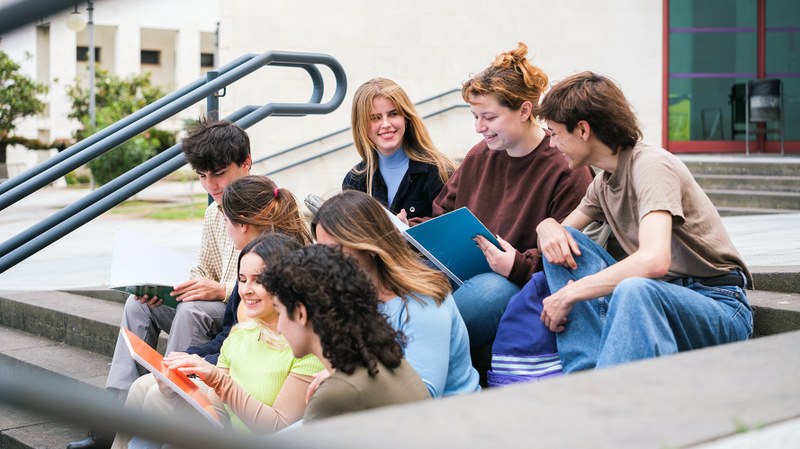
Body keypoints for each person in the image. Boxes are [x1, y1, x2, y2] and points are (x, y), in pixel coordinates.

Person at [535, 71, 753, 373]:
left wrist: (571, 293)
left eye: (555, 133)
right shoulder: (603, 183)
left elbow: (654, 260)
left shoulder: (651, 165)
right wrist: (546, 226)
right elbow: (562, 234)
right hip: (656, 300)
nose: (552, 142)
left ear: (583, 130)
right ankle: (584, 373)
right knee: (560, 248)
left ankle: (603, 395)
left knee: (635, 289)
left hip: (717, 305)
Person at [69, 119, 251, 449]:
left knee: (193, 309)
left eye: (218, 173)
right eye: (202, 176)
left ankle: (172, 402)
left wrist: (221, 289)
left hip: (241, 312)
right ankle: (110, 422)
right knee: (139, 305)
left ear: (246, 163)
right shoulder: (214, 213)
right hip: (212, 305)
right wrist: (167, 290)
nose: (210, 184)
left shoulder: (268, 205)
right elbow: (201, 270)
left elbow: (276, 282)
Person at [430, 43, 593, 348]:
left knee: (488, 293)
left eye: (489, 118)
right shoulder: (481, 154)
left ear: (525, 111)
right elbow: (444, 214)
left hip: (519, 284)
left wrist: (516, 266)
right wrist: (408, 228)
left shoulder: (565, 168)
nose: (479, 128)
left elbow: (575, 258)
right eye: (475, 117)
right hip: (462, 269)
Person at [112, 233, 323, 449]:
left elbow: (279, 428)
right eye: (241, 280)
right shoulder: (242, 333)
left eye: (258, 280)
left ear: (289, 283)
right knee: (161, 398)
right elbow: (218, 409)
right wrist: (174, 391)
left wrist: (217, 380)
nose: (246, 290)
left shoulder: (308, 346)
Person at [312, 190, 480, 398]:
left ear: (370, 245)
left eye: (335, 250)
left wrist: (345, 378)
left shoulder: (421, 300)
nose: (325, 261)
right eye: (322, 251)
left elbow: (422, 393)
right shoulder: (352, 300)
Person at [263, 244, 431, 422]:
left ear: (300, 313)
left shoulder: (335, 396)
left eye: (279, 312)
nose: (279, 327)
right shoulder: (387, 357)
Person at [343, 77, 456, 220]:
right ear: (361, 126)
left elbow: (450, 231)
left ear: (406, 118)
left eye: (393, 114)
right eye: (375, 117)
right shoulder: (354, 181)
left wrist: (410, 229)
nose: (385, 124)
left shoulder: (440, 171)